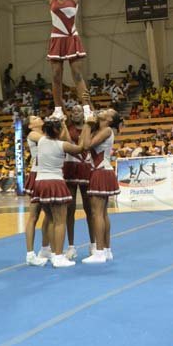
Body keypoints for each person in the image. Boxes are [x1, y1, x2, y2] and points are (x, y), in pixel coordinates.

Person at [27, 0, 92, 120]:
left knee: (77, 75)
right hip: (57, 38)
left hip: (71, 37)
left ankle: (86, 107)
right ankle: (57, 109)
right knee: (56, 76)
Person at [30, 117, 86, 268]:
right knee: (60, 221)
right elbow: (81, 148)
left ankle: (51, 252)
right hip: (54, 182)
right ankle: (58, 257)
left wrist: (58, 124)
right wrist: (86, 128)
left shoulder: (40, 141)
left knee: (50, 219)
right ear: (58, 131)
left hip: (40, 182)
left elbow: (40, 134)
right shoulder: (63, 145)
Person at [81, 109, 121, 264]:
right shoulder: (103, 129)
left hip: (101, 171)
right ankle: (106, 250)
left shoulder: (107, 130)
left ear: (110, 118)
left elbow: (86, 145)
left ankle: (99, 252)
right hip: (104, 169)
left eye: (107, 111)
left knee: (97, 213)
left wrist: (86, 125)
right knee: (102, 213)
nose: (103, 110)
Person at [62, 105, 95, 260]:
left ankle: (93, 244)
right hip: (69, 168)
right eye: (73, 111)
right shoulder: (67, 128)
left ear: (84, 114)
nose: (75, 113)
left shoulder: (90, 127)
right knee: (70, 209)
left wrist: (87, 102)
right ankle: (71, 247)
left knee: (90, 209)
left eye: (78, 111)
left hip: (86, 168)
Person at [24, 115, 51, 266]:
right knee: (34, 216)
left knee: (49, 214)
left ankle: (45, 248)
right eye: (35, 118)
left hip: (46, 173)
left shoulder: (45, 134)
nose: (39, 117)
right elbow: (50, 142)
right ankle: (30, 254)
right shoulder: (33, 134)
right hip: (37, 173)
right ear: (30, 125)